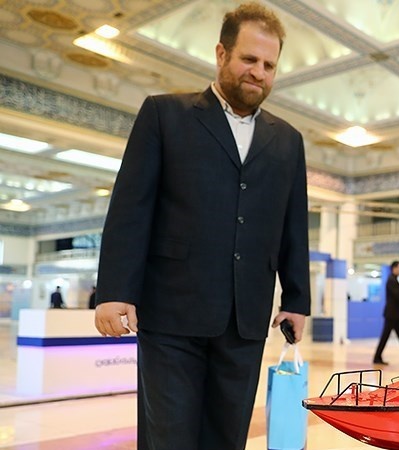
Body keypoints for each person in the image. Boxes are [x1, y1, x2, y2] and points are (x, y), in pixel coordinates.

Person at [93, 3, 311, 449]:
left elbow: (294, 224)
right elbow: (131, 207)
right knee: (169, 438)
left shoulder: (288, 141)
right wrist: (115, 289)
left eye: (269, 65)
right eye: (249, 59)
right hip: (171, 314)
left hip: (245, 320)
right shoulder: (164, 115)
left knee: (227, 438)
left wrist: (296, 299)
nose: (259, 72)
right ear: (221, 53)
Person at [373, 261, 399, 365]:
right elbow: (398, 296)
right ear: (394, 268)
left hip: (395, 315)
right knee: (387, 337)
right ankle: (377, 357)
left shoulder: (394, 279)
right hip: (392, 314)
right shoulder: (391, 280)